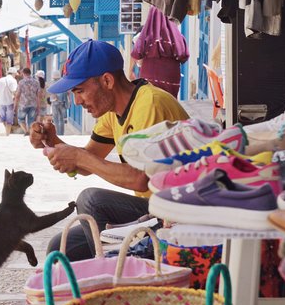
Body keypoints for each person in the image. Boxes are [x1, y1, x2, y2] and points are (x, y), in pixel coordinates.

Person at [29, 40, 189, 261]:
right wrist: (53, 141)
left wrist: (77, 156)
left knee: (90, 200)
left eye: (80, 90)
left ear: (107, 80)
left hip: (178, 214)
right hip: (152, 211)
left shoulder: (150, 104)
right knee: (61, 248)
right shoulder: (112, 112)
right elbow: (87, 163)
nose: (77, 101)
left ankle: (113, 275)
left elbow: (142, 180)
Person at [130, 6, 189, 97]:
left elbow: (136, 53)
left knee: (151, 103)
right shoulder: (177, 36)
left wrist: (130, 70)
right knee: (169, 103)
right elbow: (184, 56)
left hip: (149, 77)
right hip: (171, 77)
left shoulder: (145, 36)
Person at [14, 67, 41, 135]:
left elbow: (17, 95)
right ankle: (29, 131)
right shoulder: (36, 82)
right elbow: (38, 96)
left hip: (23, 104)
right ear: (30, 73)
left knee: (20, 119)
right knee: (31, 120)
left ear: (23, 73)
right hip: (33, 104)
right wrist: (38, 106)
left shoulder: (21, 82)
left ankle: (26, 131)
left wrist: (15, 106)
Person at [0, 66, 19, 135]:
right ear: (14, 74)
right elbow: (14, 91)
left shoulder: (1, 79)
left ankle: (5, 132)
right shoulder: (13, 81)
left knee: (2, 119)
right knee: (9, 120)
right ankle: (7, 134)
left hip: (1, 102)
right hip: (9, 102)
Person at [48, 71, 70, 135]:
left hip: (54, 102)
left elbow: (50, 92)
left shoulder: (51, 83)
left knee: (56, 118)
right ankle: (61, 133)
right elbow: (68, 92)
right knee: (61, 118)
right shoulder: (63, 82)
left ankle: (57, 132)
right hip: (62, 102)